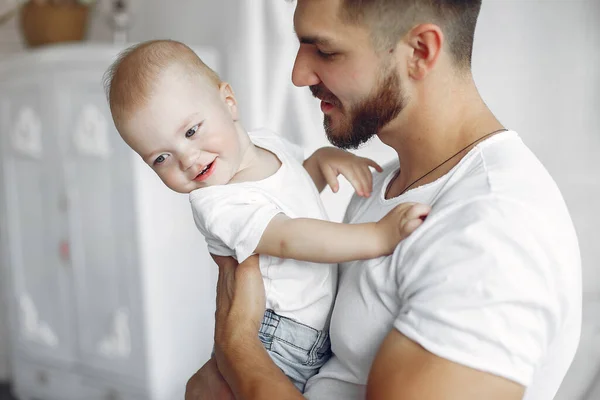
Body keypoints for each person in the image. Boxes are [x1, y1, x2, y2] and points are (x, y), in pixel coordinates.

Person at [186, 0, 582, 399]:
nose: (298, 74)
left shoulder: (494, 234)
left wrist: (238, 348)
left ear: (420, 52)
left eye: (325, 51)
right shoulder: (391, 180)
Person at [103, 40, 430, 392]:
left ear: (228, 103)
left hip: (307, 332)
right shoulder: (217, 204)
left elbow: (292, 192)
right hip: (279, 338)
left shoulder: (266, 144)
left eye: (191, 131)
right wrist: (377, 237)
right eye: (161, 158)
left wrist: (321, 163)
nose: (186, 158)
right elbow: (288, 237)